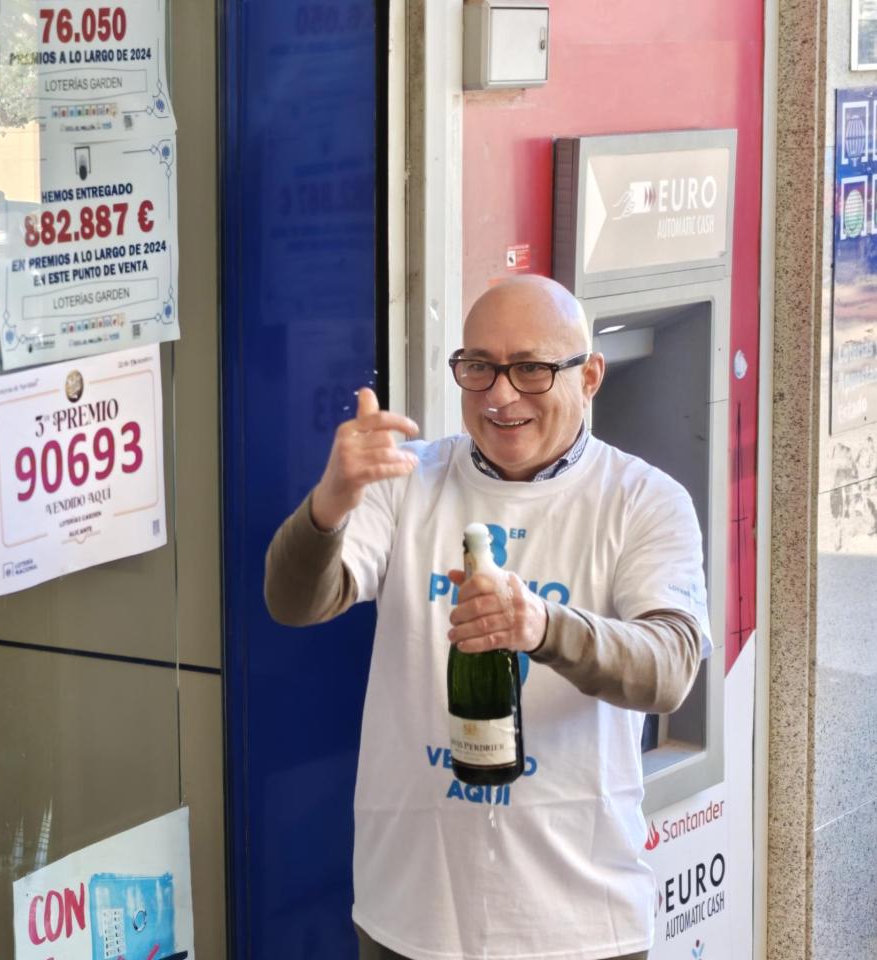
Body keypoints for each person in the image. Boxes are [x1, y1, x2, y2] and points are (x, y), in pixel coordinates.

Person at [264, 275, 709, 960]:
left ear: (590, 376)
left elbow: (670, 668)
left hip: (580, 926)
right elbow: (294, 602)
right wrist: (330, 501)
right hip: (409, 918)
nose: (500, 395)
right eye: (479, 367)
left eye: (530, 368)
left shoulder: (644, 499)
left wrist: (543, 627)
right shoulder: (408, 479)